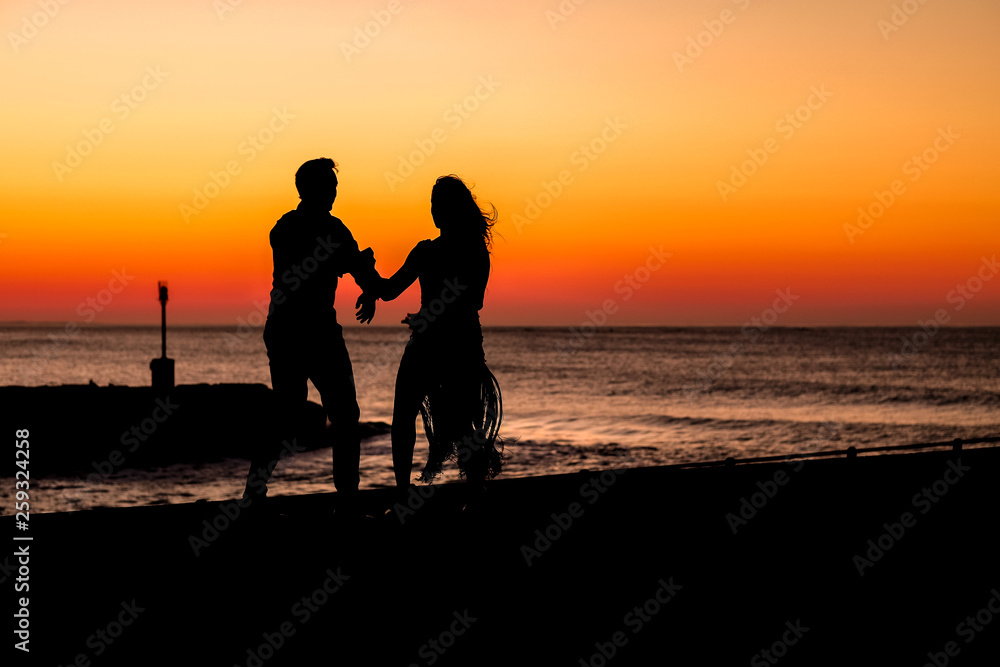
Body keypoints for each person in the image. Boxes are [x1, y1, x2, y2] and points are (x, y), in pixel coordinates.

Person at [242, 157, 381, 514]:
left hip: (303, 330)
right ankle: (341, 499)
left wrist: (366, 282)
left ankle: (343, 498)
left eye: (335, 186)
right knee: (313, 415)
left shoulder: (308, 227)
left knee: (332, 414)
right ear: (311, 189)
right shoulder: (299, 229)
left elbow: (352, 267)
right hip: (302, 332)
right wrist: (364, 272)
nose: (335, 192)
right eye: (330, 186)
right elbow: (341, 263)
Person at [363, 175, 504, 508]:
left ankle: (472, 492)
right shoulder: (431, 250)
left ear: (453, 210)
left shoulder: (469, 252)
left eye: (439, 205)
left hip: (453, 345)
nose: (434, 211)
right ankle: (405, 494)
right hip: (440, 343)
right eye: (432, 205)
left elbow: (473, 299)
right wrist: (367, 274)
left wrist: (430, 316)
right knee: (405, 419)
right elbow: (388, 290)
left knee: (459, 422)